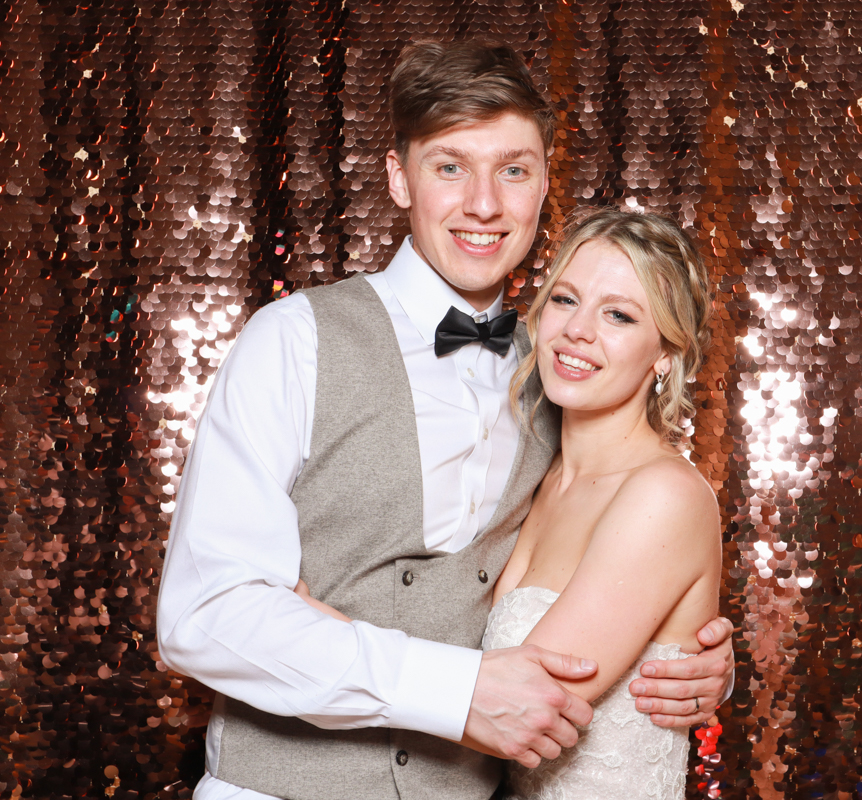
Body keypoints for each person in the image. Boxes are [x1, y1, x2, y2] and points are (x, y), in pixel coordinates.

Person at [156, 41, 734, 800]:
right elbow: (202, 615)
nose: (485, 204)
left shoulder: (563, 372)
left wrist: (684, 661)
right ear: (400, 178)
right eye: (450, 166)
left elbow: (619, 562)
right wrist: (451, 689)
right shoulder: (293, 341)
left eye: (514, 170)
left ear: (543, 185)